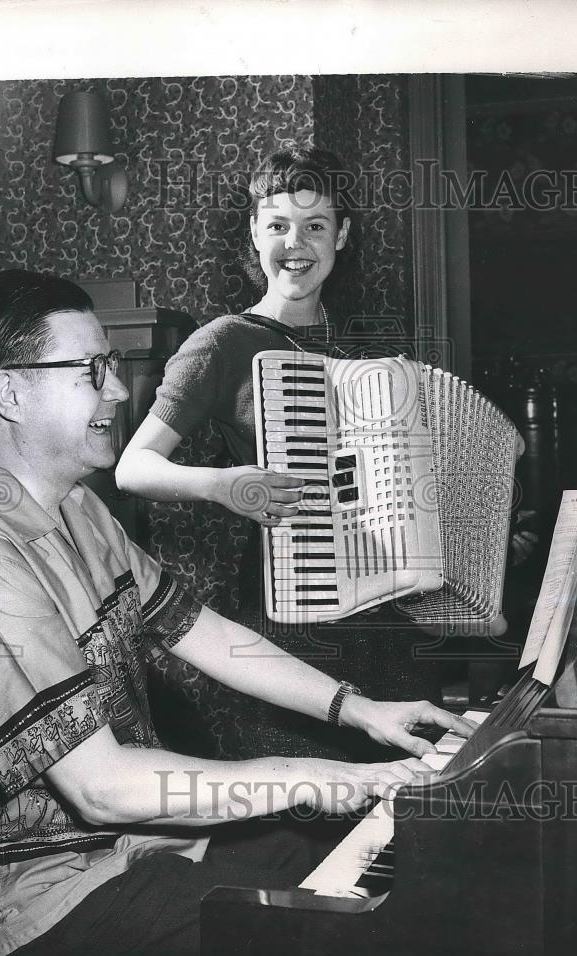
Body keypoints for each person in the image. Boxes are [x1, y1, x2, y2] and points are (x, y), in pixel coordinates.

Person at [0, 269, 476, 956]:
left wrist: (359, 711)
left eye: (111, 364)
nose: (117, 389)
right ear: (9, 392)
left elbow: (207, 634)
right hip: (28, 909)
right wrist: (318, 774)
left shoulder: (78, 509)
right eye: (90, 370)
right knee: (340, 942)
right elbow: (103, 788)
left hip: (127, 856)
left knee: (348, 866)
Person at [115, 144, 446, 759]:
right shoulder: (223, 342)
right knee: (310, 809)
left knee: (404, 793)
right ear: (255, 231)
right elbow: (134, 467)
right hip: (296, 610)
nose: (296, 242)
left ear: (341, 236)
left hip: (391, 614)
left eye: (316, 225)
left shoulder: (371, 352)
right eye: (278, 225)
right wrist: (222, 484)